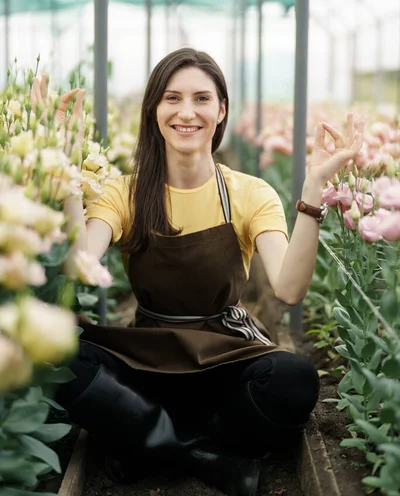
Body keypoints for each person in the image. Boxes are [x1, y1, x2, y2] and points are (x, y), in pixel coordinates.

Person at [37, 48, 363, 496]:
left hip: (224, 356)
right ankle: (202, 456)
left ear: (221, 110)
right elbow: (81, 265)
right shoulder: (123, 192)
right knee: (54, 350)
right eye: (172, 98)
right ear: (154, 110)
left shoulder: (250, 193)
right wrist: (67, 172)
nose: (186, 112)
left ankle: (141, 439)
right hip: (148, 358)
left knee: (295, 380)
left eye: (201, 99)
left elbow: (287, 289)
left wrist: (311, 191)